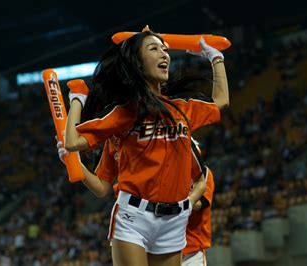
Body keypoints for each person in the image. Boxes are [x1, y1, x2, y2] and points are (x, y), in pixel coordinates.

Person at [63, 28, 228, 266]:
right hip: (134, 216)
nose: (164, 54)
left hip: (174, 217)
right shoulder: (125, 113)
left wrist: (215, 58)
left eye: (164, 49)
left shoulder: (182, 109)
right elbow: (72, 142)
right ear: (138, 66)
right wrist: (77, 100)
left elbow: (221, 101)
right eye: (154, 49)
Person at [56, 137, 214, 266]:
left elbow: (198, 204)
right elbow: (101, 188)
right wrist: (75, 163)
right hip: (149, 252)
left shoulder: (203, 176)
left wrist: (175, 202)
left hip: (189, 253)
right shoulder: (130, 188)